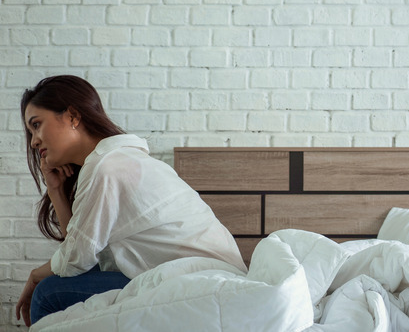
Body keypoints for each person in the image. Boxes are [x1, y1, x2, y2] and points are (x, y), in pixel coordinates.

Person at [15, 75, 247, 327]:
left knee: (48, 294)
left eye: (36, 125)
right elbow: (79, 250)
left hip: (199, 279)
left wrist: (35, 275)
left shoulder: (108, 167)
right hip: (198, 273)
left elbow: (74, 260)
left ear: (72, 116)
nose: (34, 140)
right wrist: (56, 192)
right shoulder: (115, 160)